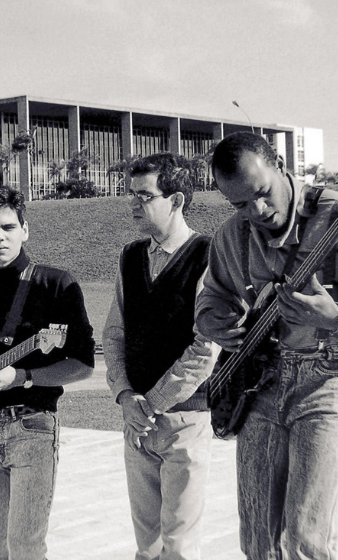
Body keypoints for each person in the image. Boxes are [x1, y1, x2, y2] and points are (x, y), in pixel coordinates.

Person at [196, 132, 338, 560]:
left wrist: (336, 319)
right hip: (259, 385)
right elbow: (211, 299)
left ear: (278, 163)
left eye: (261, 194)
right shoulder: (232, 234)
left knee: (306, 538)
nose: (256, 211)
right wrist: (215, 323)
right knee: (257, 538)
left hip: (326, 380)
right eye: (239, 204)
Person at [0, 186, 95, 560]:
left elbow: (83, 364)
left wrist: (23, 376)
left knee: (25, 549)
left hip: (32, 429)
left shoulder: (55, 284)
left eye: (9, 227)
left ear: (25, 229)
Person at [103, 152, 220, 560]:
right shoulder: (130, 257)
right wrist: (124, 395)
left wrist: (148, 404)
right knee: (146, 547)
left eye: (144, 195)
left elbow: (204, 350)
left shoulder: (209, 256)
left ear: (177, 200)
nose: (133, 204)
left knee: (180, 548)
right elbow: (114, 332)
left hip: (185, 421)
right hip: (136, 424)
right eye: (131, 194)